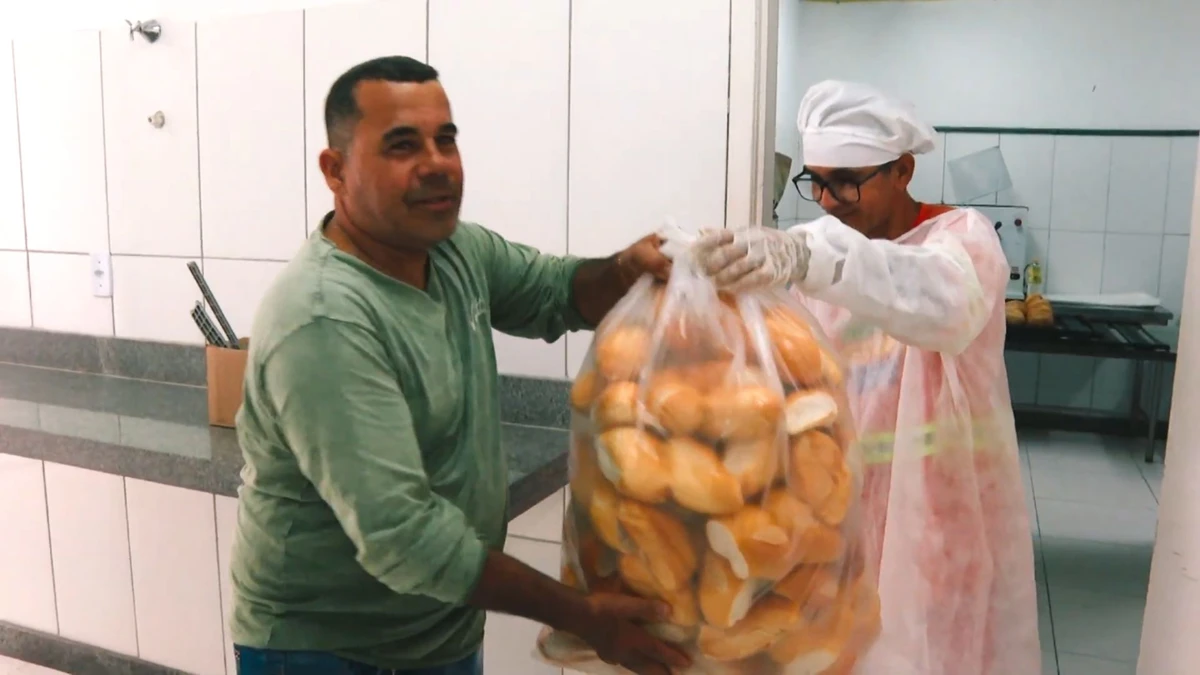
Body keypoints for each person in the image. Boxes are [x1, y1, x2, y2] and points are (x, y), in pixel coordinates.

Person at [227, 55, 691, 675]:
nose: (437, 163)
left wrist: (630, 268)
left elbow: (557, 292)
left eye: (445, 139)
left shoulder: (452, 251)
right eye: (401, 145)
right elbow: (405, 539)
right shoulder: (324, 319)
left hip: (439, 629)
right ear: (335, 171)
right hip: (329, 649)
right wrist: (585, 617)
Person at [693, 80, 1041, 675]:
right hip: (842, 517)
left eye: (847, 180)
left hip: (939, 521)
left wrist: (809, 257)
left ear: (902, 170)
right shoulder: (833, 263)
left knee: (932, 656)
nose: (828, 201)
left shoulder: (962, 241)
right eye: (817, 181)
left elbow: (934, 299)